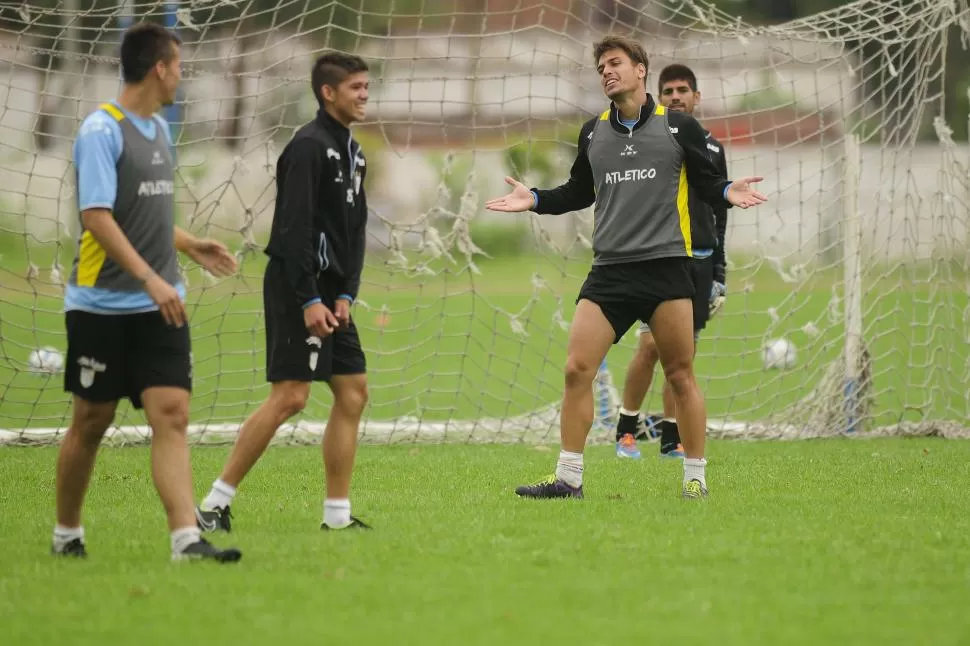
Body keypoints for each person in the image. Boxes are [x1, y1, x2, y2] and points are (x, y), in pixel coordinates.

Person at [485, 36, 766, 499]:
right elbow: (578, 192)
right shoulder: (593, 132)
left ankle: (695, 481)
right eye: (600, 67)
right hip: (611, 272)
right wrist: (534, 198)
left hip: (665, 269)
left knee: (680, 374)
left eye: (614, 63)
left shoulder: (678, 128)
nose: (606, 72)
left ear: (640, 69)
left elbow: (709, 182)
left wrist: (726, 192)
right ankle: (568, 479)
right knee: (577, 368)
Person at [53, 21, 241, 561]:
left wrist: (188, 246)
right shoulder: (100, 131)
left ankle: (186, 539)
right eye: (178, 66)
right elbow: (97, 218)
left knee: (172, 415)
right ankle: (67, 532)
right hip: (101, 307)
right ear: (159, 68)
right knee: (91, 422)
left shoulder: (160, 131)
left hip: (162, 305)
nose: (181, 76)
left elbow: (146, 218)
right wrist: (150, 277)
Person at [196, 52, 372, 531]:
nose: (364, 94)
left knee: (353, 394)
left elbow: (355, 232)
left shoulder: (353, 152)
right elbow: (293, 231)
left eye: (366, 86)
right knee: (290, 397)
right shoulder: (307, 147)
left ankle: (336, 517)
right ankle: (213, 504)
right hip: (299, 287)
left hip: (334, 293)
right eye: (355, 87)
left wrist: (346, 294)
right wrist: (310, 298)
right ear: (327, 93)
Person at [614, 63, 730, 460]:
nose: (676, 96)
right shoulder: (648, 142)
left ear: (697, 97)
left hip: (699, 263)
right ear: (657, 97)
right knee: (650, 348)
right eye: (669, 91)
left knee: (683, 359)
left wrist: (719, 272)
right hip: (661, 260)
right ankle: (626, 428)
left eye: (683, 90)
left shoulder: (714, 149)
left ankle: (669, 437)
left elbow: (721, 212)